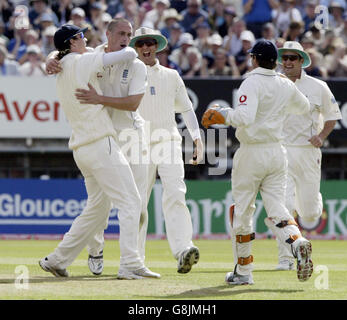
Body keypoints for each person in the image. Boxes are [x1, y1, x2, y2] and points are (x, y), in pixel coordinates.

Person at [77, 27, 204, 275]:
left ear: (156, 46)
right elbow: (89, 59)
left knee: (176, 193)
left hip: (167, 139)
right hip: (136, 142)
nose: (146, 47)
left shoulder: (171, 75)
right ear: (134, 47)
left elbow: (187, 109)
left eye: (150, 43)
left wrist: (197, 139)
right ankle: (135, 261)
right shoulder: (125, 72)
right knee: (138, 204)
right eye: (141, 43)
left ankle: (183, 250)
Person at [39, 24, 157, 280]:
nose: (85, 39)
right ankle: (130, 263)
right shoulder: (82, 61)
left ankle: (57, 259)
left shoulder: (67, 66)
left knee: (96, 209)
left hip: (82, 148)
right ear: (72, 43)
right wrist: (53, 57)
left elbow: (62, 58)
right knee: (131, 201)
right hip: (100, 143)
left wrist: (53, 57)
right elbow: (128, 55)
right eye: (80, 36)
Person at [201, 40, 313, 285]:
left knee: (242, 212)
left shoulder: (251, 81)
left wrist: (221, 114)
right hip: (277, 152)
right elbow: (304, 108)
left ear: (254, 59)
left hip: (252, 152)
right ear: (275, 61)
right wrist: (279, 106)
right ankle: (297, 242)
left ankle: (243, 272)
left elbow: (244, 117)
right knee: (278, 209)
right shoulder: (284, 83)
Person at [271, 41, 342, 270]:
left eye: (293, 58)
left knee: (310, 213)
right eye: (285, 58)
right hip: (281, 151)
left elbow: (332, 116)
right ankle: (285, 257)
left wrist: (321, 136)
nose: (288, 62)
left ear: (302, 60)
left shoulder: (317, 86)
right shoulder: (274, 85)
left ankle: (312, 201)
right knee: (284, 205)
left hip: (308, 152)